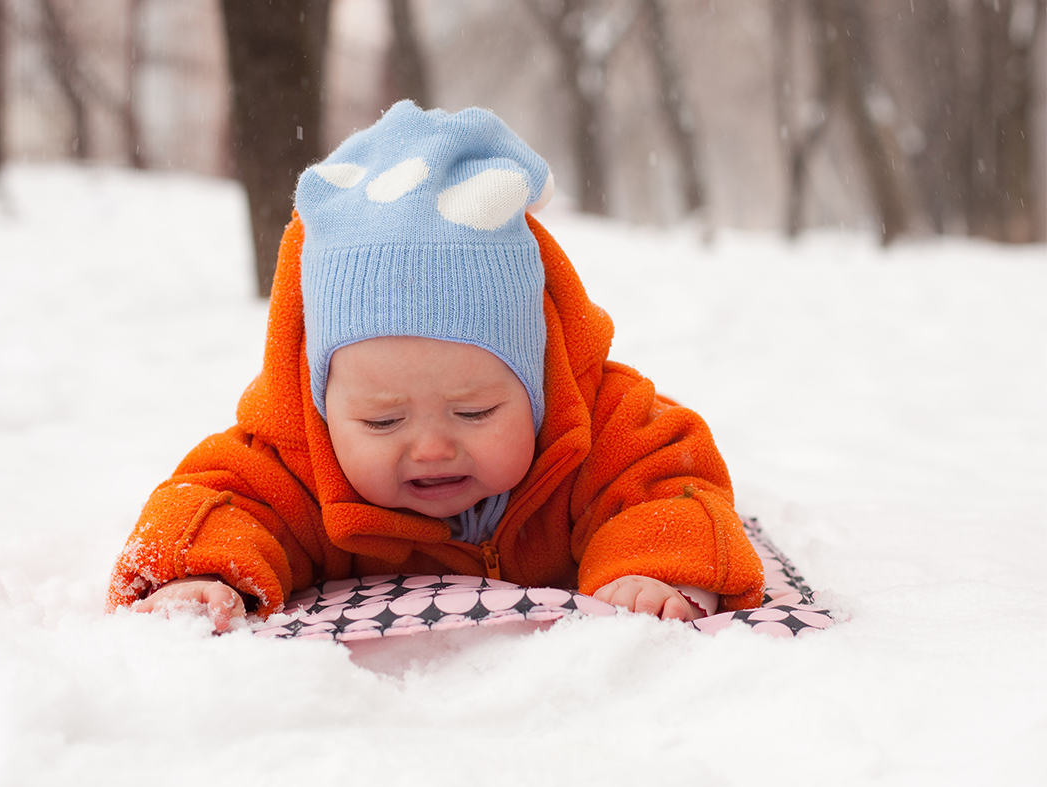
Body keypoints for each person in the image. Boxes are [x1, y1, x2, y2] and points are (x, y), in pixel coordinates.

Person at [107, 101, 764, 632]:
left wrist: (652, 566)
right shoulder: (299, 459)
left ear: (536, 379)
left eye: (473, 411)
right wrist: (200, 574)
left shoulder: (600, 427)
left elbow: (667, 481)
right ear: (322, 402)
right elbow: (220, 500)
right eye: (383, 419)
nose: (430, 447)